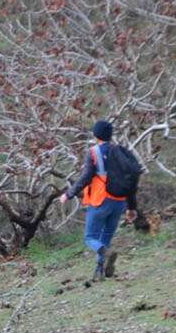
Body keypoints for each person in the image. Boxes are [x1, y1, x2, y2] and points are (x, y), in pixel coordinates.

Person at [58, 120, 141, 282]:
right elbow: (130, 181)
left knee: (90, 238)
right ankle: (99, 273)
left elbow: (86, 178)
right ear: (110, 134)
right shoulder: (121, 152)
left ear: (96, 135)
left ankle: (106, 255)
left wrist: (68, 194)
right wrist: (131, 207)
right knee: (105, 239)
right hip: (119, 203)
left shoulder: (94, 152)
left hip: (100, 200)